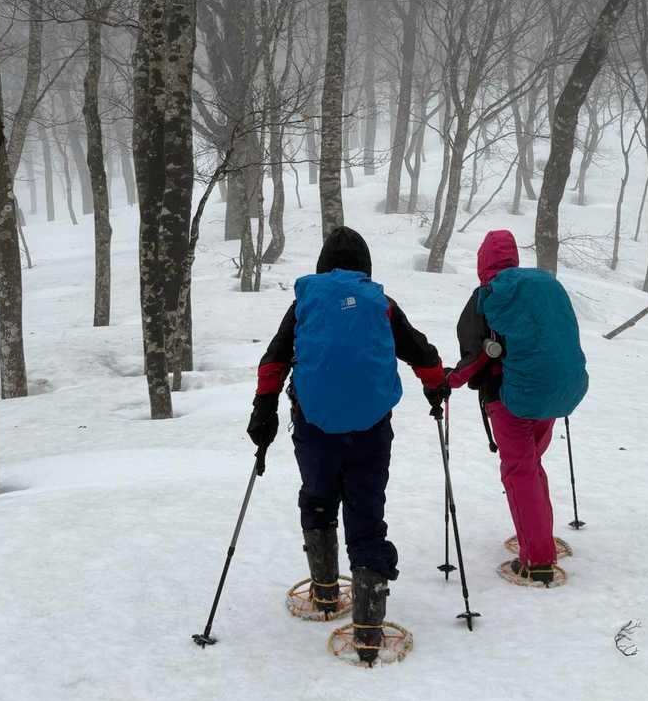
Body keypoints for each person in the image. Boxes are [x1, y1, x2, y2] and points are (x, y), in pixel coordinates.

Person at [247, 226, 448, 662]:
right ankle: (369, 631)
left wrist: (264, 409)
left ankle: (324, 593)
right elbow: (421, 352)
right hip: (371, 430)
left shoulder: (304, 303)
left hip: (314, 428)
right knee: (366, 515)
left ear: (323, 266)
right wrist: (436, 386)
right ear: (365, 266)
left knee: (318, 499)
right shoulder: (381, 304)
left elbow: (274, 360)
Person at [448, 229, 587, 587]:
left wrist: (450, 380)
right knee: (531, 465)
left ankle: (537, 561)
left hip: (512, 397)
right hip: (556, 394)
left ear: (482, 261)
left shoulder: (487, 295)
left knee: (519, 471)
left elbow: (477, 355)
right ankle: (539, 536)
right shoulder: (545, 285)